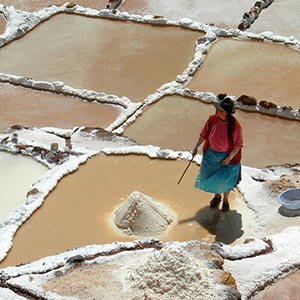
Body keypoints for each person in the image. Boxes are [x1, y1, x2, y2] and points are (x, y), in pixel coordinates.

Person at [192, 94, 243, 212]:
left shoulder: (235, 126)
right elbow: (203, 135)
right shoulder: (212, 119)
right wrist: (196, 147)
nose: (216, 110)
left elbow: (237, 146)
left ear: (225, 112)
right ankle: (217, 196)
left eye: (219, 109)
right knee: (210, 178)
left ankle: (225, 200)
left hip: (227, 157)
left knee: (226, 180)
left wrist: (228, 159)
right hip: (211, 155)